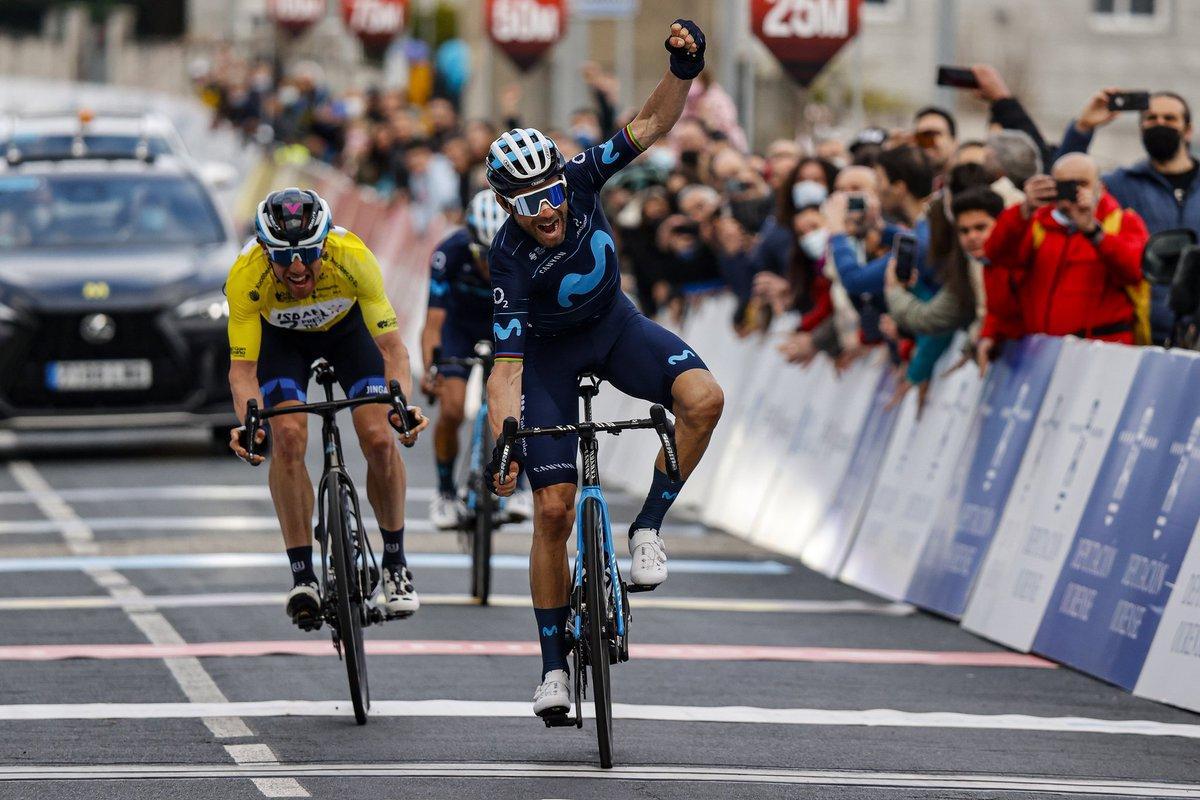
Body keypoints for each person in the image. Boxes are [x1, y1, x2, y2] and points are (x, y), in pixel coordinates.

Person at [484, 19, 725, 719]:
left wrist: (684, 67)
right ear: (506, 205)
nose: (549, 208)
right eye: (529, 202)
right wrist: (505, 434)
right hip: (551, 362)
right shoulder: (506, 258)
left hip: (617, 329)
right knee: (552, 513)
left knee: (704, 399)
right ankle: (553, 668)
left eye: (552, 191)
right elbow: (506, 367)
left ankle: (648, 525)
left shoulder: (582, 176)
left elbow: (649, 123)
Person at [226, 188, 429, 628]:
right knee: (289, 436)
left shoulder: (352, 255)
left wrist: (401, 405)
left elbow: (393, 348)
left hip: (347, 334)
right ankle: (303, 575)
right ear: (264, 251)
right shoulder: (246, 274)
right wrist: (250, 422)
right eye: (283, 257)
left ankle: (395, 567)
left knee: (378, 437)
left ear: (324, 245)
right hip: (283, 344)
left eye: (308, 254)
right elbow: (242, 371)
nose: (297, 267)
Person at [420, 190, 532, 529]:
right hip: (460, 330)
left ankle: (520, 486)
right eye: (482, 255)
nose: (489, 263)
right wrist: (432, 370)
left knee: (517, 406)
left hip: (507, 328)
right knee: (452, 408)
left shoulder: (526, 251)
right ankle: (444, 492)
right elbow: (433, 324)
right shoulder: (448, 253)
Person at [979, 154, 1150, 367]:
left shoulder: (1121, 221)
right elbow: (996, 258)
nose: (1075, 192)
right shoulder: (1037, 224)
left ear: (1101, 187)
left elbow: (1135, 271)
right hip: (1041, 354)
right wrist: (1024, 209)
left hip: (1101, 357)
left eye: (1082, 184)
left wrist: (1094, 232)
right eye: (1066, 185)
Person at [1057, 90, 1200, 343]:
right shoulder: (1120, 185)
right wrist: (1083, 127)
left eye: (1170, 118)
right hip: (1143, 331)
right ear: (1141, 128)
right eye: (1151, 118)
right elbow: (1064, 186)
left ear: (1187, 130)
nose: (1160, 124)